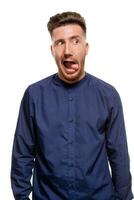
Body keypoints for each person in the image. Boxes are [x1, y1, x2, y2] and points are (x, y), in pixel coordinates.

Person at [11, 11, 133, 200]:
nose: (67, 50)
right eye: (60, 42)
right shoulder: (34, 95)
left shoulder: (108, 95)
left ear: (86, 47)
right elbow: (22, 154)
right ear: (52, 50)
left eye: (75, 41)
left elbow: (119, 156)